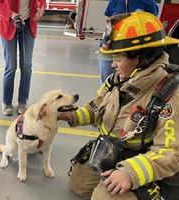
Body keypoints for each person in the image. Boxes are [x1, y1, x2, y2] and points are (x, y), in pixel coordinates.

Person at [60, 12, 179, 200]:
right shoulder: (117, 80)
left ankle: (154, 191)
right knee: (80, 185)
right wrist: (70, 116)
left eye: (119, 57)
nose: (113, 64)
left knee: (106, 195)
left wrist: (130, 174)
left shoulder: (168, 94)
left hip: (140, 158)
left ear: (143, 58)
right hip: (110, 150)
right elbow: (96, 107)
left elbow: (170, 153)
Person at [0, 0, 46, 116]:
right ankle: (6, 102)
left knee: (26, 66)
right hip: (9, 23)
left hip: (28, 25)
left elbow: (42, 1)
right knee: (11, 66)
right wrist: (12, 15)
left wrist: (41, 8)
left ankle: (22, 102)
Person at [97, 0, 159, 86]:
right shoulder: (114, 2)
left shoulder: (149, 3)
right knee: (106, 82)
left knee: (129, 83)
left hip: (131, 51)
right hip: (111, 47)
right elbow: (108, 23)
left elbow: (151, 25)